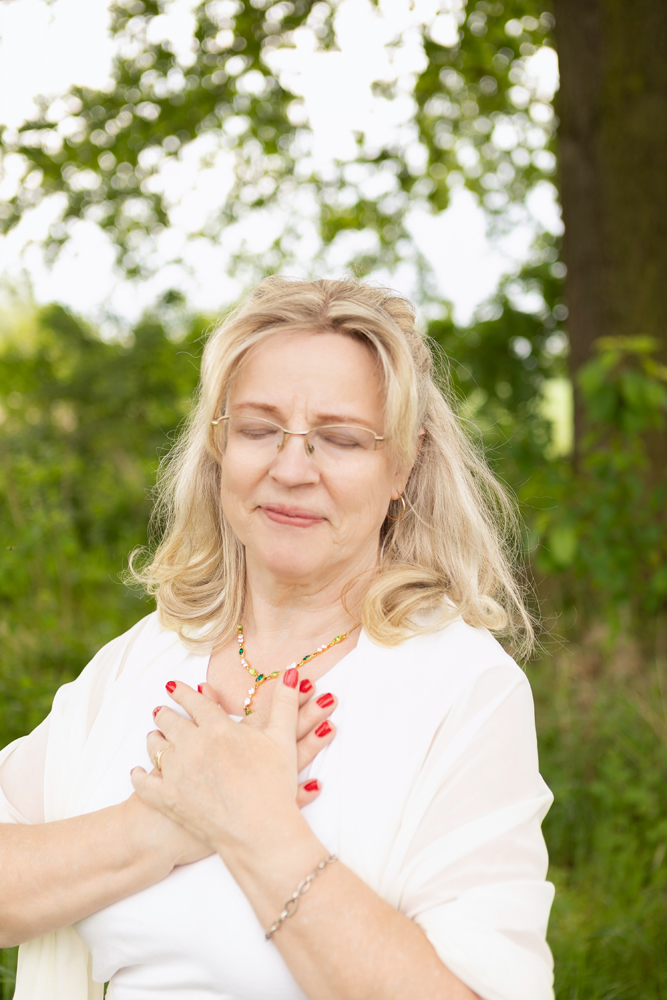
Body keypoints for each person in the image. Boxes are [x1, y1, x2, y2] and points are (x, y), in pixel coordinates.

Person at [0, 277, 554, 1000]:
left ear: (403, 464)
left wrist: (256, 828)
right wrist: (158, 828)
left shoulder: (461, 689)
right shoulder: (148, 657)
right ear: (217, 447)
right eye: (259, 430)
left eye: (341, 439)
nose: (290, 470)